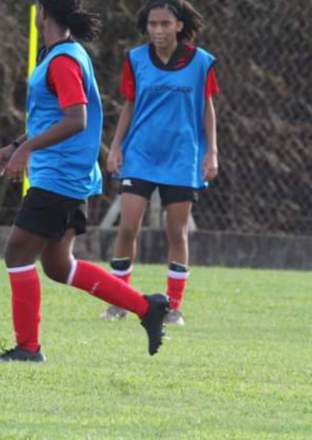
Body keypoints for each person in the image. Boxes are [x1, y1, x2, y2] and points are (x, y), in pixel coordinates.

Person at [0, 0, 170, 362]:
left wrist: (28, 152)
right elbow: (52, 117)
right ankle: (147, 308)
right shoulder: (62, 55)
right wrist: (16, 145)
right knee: (58, 265)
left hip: (60, 175)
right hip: (68, 174)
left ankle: (28, 347)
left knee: (17, 250)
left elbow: (76, 119)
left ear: (42, 15)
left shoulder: (63, 60)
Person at [100, 0, 219, 326]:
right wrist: (116, 147)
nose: (158, 30)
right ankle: (120, 301)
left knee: (177, 232)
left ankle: (173, 307)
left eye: (165, 24)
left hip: (182, 157)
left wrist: (212, 152)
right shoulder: (135, 59)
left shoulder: (201, 62)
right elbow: (129, 103)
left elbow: (207, 108)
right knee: (127, 226)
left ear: (179, 26)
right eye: (153, 25)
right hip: (140, 155)